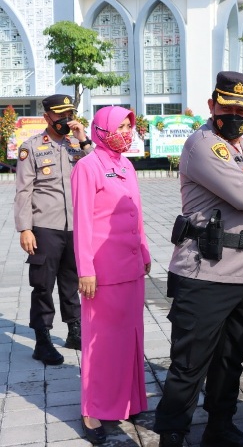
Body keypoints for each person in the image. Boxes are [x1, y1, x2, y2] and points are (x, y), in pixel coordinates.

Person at [153, 71, 243, 447]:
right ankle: (172, 434)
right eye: (227, 107)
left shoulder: (238, 146)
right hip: (205, 274)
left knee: (231, 358)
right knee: (189, 364)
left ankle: (220, 427)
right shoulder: (204, 145)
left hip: (241, 274)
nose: (236, 115)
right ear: (212, 105)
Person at [71, 106, 151, 445]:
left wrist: (144, 250)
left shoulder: (127, 165)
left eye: (128, 126)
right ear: (101, 129)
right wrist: (85, 269)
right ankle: (92, 412)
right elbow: (83, 224)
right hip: (102, 273)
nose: (125, 132)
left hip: (131, 268)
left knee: (131, 338)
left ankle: (129, 402)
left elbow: (136, 214)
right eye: (119, 126)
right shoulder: (87, 167)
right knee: (100, 344)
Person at [14, 94, 93, 365]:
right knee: (43, 285)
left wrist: (83, 138)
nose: (65, 119)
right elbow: (23, 191)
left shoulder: (76, 144)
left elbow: (97, 169)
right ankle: (43, 339)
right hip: (45, 227)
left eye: (69, 114)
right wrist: (25, 229)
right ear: (47, 117)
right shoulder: (32, 147)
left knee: (72, 282)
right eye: (60, 115)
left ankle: (75, 330)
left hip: (76, 227)